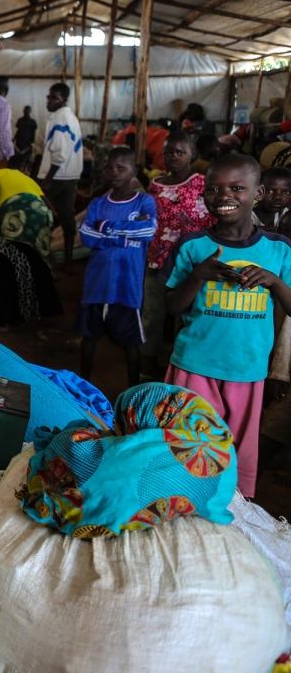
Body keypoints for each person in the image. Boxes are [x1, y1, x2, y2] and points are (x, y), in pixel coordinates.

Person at [165, 153, 291, 497]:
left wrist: (274, 283)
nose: (224, 197)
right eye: (214, 189)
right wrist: (199, 276)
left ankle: (233, 509)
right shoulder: (193, 246)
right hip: (194, 365)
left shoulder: (278, 250)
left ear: (258, 193)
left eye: (237, 188)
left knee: (237, 450)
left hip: (247, 370)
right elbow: (173, 306)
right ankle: (184, 504)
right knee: (188, 446)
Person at [77, 147, 157, 387]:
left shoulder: (144, 201)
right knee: (88, 339)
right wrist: (122, 236)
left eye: (120, 168)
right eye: (109, 167)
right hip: (96, 285)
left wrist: (106, 227)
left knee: (131, 344)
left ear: (134, 170)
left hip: (127, 288)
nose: (113, 172)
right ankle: (81, 387)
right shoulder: (98, 203)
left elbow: (148, 230)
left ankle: (132, 391)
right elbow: (86, 235)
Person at [141, 134, 213, 377]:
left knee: (186, 316)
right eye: (168, 152)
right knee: (153, 315)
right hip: (157, 260)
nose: (172, 156)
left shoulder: (202, 183)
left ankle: (179, 369)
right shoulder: (156, 185)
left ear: (192, 154)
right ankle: (148, 366)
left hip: (191, 263)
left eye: (179, 152)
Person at [0, 152, 62, 325]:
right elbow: (53, 210)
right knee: (37, 261)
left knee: (10, 261)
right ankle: (45, 310)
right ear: (25, 169)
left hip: (16, 212)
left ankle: (5, 315)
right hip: (41, 214)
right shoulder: (31, 182)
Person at [39, 82, 84, 268]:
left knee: (41, 215)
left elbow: (59, 153)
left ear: (63, 99)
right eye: (49, 96)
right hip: (71, 175)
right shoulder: (70, 117)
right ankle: (68, 259)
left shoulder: (60, 118)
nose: (49, 101)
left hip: (57, 176)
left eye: (54, 98)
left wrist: (47, 180)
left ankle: (43, 258)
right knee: (67, 217)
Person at [255, 167, 291, 232]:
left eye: (286, 192)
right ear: (258, 192)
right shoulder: (245, 218)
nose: (278, 197)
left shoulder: (285, 215)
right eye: (270, 191)